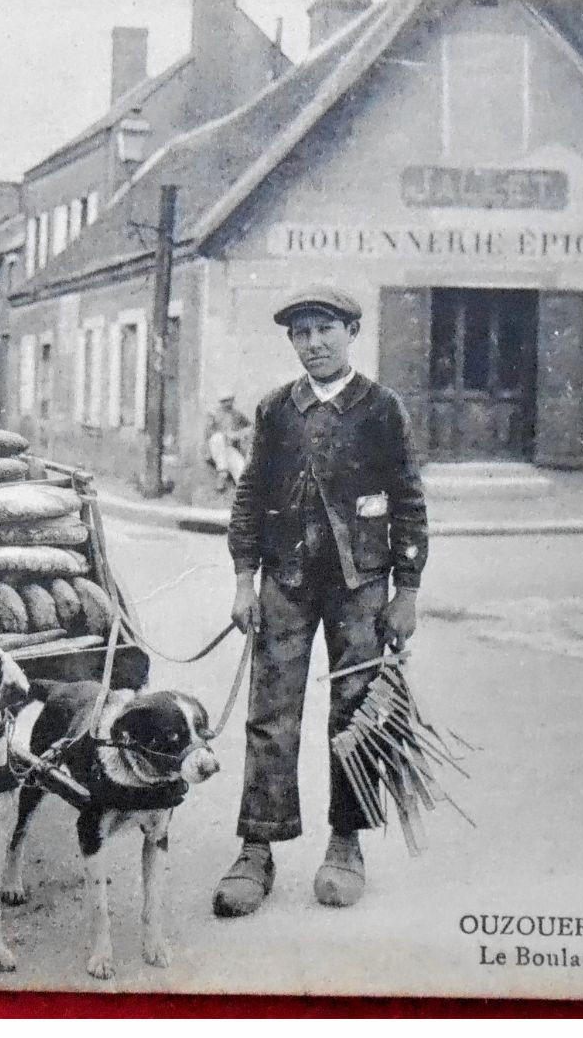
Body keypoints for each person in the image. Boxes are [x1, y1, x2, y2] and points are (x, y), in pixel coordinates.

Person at [214, 284, 428, 919]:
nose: (314, 344)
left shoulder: (383, 408)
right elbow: (250, 496)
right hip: (286, 578)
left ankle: (346, 841)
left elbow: (410, 502)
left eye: (326, 329)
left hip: (362, 585)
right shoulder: (277, 410)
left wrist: (407, 591)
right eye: (301, 333)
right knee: (270, 710)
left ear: (352, 331)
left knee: (357, 712)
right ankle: (258, 845)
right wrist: (243, 580)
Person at [204, 387, 253, 492]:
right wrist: (225, 434)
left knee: (240, 466)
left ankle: (245, 497)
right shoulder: (213, 414)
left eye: (229, 400)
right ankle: (222, 473)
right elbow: (208, 433)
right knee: (219, 438)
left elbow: (250, 426)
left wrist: (240, 434)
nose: (227, 403)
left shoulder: (237, 415)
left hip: (229, 448)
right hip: (216, 447)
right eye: (224, 401)